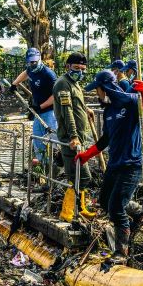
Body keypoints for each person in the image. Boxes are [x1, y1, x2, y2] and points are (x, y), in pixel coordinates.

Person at [75, 70, 143, 257]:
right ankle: (138, 211)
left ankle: (122, 252)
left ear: (104, 89)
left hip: (131, 164)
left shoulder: (130, 102)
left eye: (96, 90)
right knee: (105, 201)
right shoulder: (108, 111)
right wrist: (86, 155)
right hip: (114, 164)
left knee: (115, 208)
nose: (96, 94)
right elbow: (105, 139)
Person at [53, 52, 93, 190]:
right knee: (81, 177)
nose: (80, 72)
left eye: (82, 69)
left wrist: (86, 109)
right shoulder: (63, 83)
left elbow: (75, 104)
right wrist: (74, 136)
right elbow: (67, 111)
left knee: (79, 177)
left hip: (79, 138)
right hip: (71, 139)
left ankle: (80, 207)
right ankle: (69, 210)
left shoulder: (74, 83)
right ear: (67, 66)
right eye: (76, 68)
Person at [13, 47, 57, 164]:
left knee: (50, 139)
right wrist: (15, 84)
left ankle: (53, 166)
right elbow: (26, 73)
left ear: (40, 59)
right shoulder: (31, 69)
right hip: (38, 112)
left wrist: (41, 106)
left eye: (34, 62)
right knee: (37, 138)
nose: (32, 64)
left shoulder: (48, 74)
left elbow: (56, 96)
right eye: (30, 62)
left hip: (49, 112)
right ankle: (43, 164)